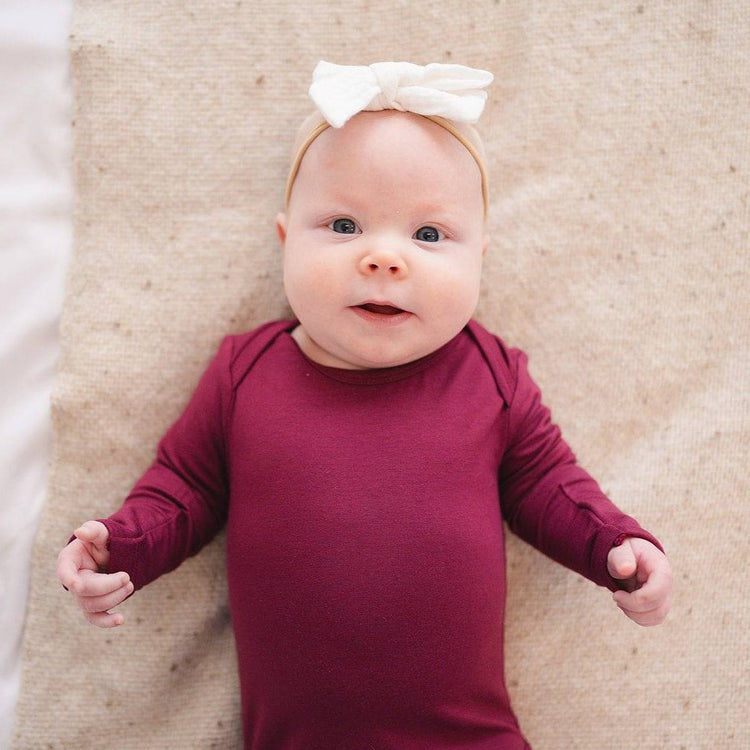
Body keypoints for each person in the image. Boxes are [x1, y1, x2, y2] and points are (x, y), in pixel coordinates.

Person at [56, 61, 672, 749]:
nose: (384, 258)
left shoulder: (491, 377)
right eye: (344, 225)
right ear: (287, 240)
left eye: (429, 235)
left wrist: (616, 544)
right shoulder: (246, 374)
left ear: (480, 258)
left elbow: (549, 484)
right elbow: (186, 487)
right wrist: (122, 547)